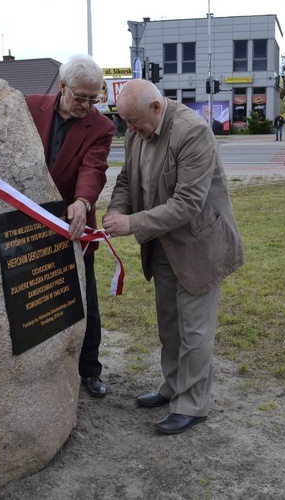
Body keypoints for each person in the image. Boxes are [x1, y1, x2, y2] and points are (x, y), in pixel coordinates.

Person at [102, 80, 244, 435]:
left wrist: (131, 223)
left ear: (156, 107)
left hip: (199, 246)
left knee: (195, 331)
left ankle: (193, 404)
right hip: (161, 243)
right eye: (126, 124)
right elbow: (125, 180)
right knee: (169, 325)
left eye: (134, 122)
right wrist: (116, 211)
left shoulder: (192, 132)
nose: (130, 130)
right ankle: (173, 387)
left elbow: (187, 204)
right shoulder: (137, 129)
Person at [25, 55, 115, 398]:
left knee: (85, 299)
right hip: (27, 225)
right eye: (80, 97)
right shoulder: (30, 107)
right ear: (62, 87)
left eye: (95, 99)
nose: (87, 106)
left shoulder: (101, 127)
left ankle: (89, 369)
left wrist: (82, 201)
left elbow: (94, 168)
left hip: (72, 227)